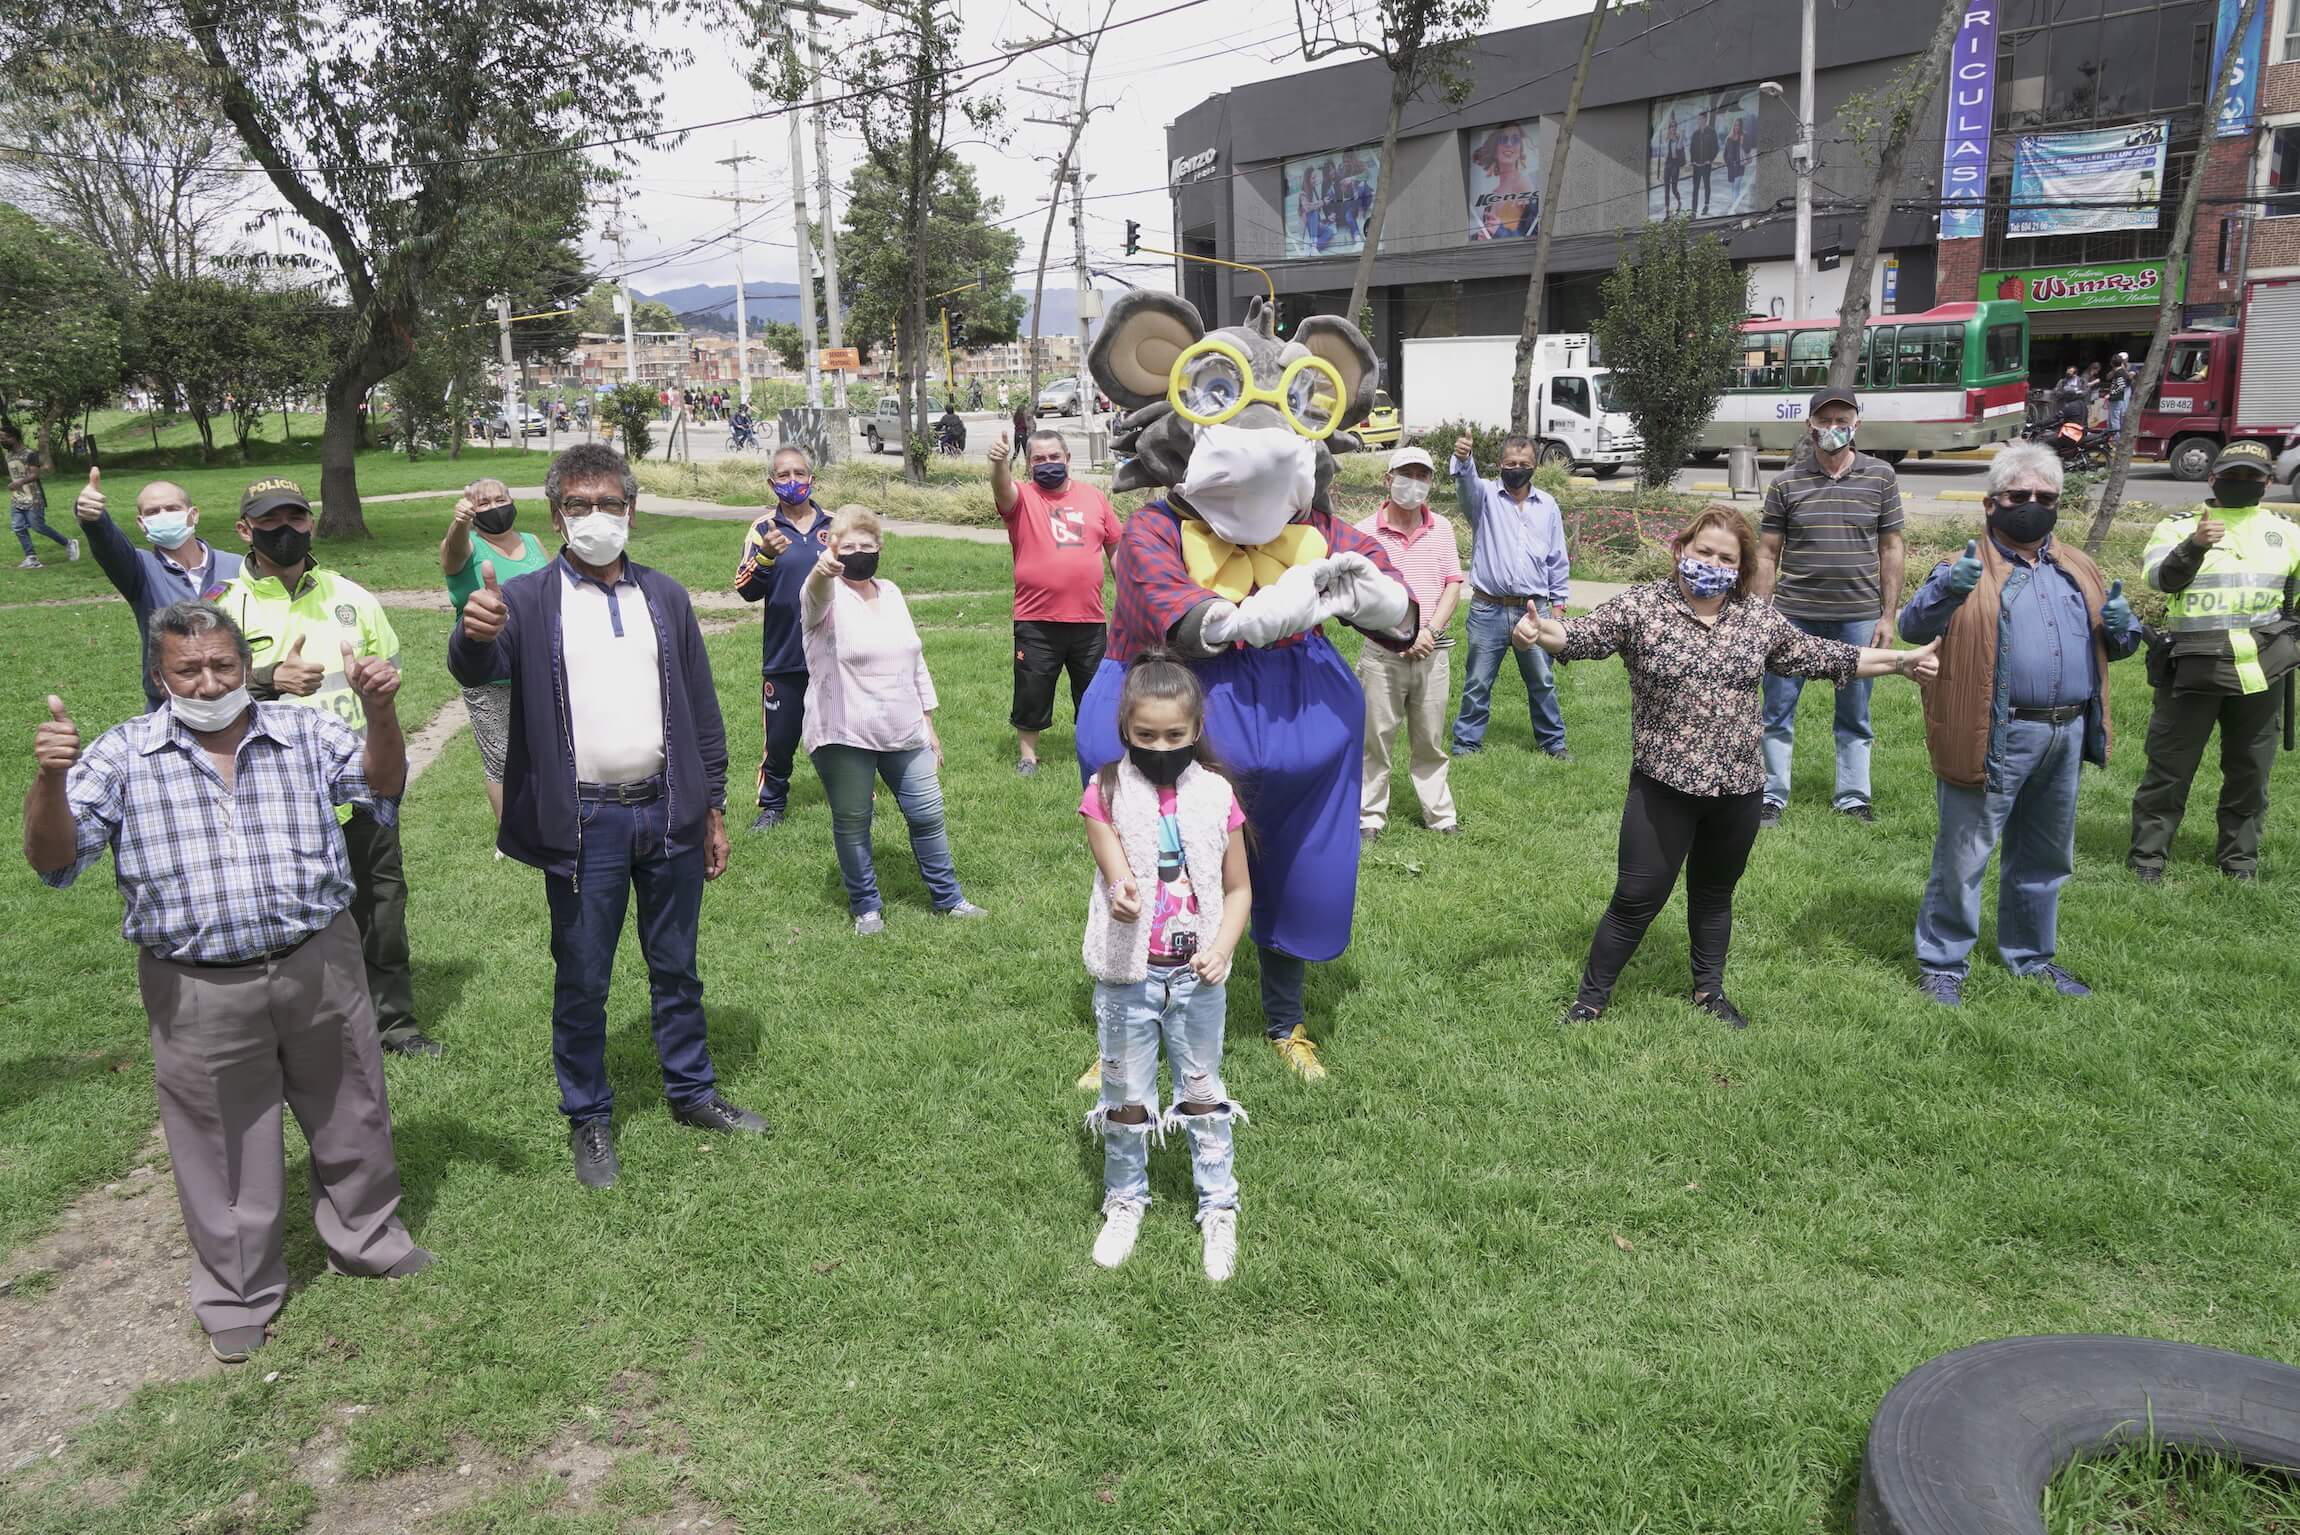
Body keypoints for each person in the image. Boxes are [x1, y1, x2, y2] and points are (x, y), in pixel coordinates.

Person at [24, 601, 431, 1363]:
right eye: (189, 669)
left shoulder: (302, 731)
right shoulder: (123, 755)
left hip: (319, 958)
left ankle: (369, 1236)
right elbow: (55, 860)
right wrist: (50, 780)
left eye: (224, 665)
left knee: (352, 1104)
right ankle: (239, 1290)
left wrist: (382, 714)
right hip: (198, 986)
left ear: (247, 665)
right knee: (219, 1138)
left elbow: (382, 785)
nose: (210, 682)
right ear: (159, 675)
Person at [450, 443, 763, 1189]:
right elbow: (476, 671)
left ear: (632, 509)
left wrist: (712, 804)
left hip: (668, 810)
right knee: (583, 975)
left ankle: (692, 1092)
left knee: (676, 966)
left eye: (610, 503)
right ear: (556, 515)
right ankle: (589, 1115)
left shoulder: (665, 596)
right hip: (584, 821)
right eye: (580, 505)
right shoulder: (526, 600)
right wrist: (473, 632)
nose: (597, 518)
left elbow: (702, 710)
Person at [1515, 507, 1936, 1026]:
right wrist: (1538, 632)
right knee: (1635, 897)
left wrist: (1900, 661)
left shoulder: (1755, 619)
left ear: (1740, 569)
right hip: (1663, 785)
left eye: (1726, 558)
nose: (1712, 563)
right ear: (1680, 550)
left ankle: (1708, 992)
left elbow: (1826, 656)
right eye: (1703, 551)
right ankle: (1591, 998)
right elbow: (1578, 637)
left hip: (1738, 787)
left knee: (1714, 894)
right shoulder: (1642, 608)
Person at [1900, 442, 2140, 1003]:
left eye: (2045, 497)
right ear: (1991, 503)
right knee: (1965, 854)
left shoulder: (2078, 567)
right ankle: (1943, 962)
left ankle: (2030, 956)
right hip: (1995, 731)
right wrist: (1946, 589)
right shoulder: (1964, 568)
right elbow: (1914, 628)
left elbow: (2116, 647)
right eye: (2018, 495)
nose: (2031, 504)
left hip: (2066, 730)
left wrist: (2126, 630)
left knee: (2045, 854)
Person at [220, 480, 435, 1058]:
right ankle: (302, 1023)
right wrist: (267, 681)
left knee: (381, 909)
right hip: (275, 795)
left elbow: (386, 670)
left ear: (312, 524)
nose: (285, 530)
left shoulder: (352, 596)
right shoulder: (221, 610)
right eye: (269, 522)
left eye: (296, 518)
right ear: (245, 530)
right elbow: (201, 693)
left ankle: (395, 1026)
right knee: (290, 913)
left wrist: (382, 685)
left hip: (358, 785)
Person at [1080, 652, 1252, 1281]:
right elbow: (1114, 865)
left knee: (1202, 1090)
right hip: (1129, 976)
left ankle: (1218, 1204)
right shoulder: (1105, 790)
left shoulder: (1217, 796)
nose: (1160, 746)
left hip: (1197, 977)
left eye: (1175, 736)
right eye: (1145, 735)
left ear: (1196, 730)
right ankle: (1125, 1200)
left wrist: (1223, 947)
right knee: (1125, 1095)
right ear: (1126, 730)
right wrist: (1124, 890)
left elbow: (1238, 891)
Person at [803, 505, 988, 933]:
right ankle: (867, 907)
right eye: (847, 546)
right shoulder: (824, 594)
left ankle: (949, 899)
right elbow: (815, 594)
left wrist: (929, 723)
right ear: (831, 549)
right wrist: (823, 570)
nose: (858, 552)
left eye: (866, 545)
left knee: (928, 814)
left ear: (880, 548)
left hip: (904, 728)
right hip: (845, 731)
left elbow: (914, 658)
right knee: (852, 822)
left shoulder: (891, 591)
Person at [2128, 440, 2300, 884]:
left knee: (2250, 772)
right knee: (2169, 767)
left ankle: (2239, 861)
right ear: (2212, 478)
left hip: (2262, 670)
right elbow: (2160, 580)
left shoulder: (2286, 530)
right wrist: (2194, 545)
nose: (2241, 482)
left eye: (2251, 476)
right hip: (2191, 665)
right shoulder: (2178, 524)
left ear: (2267, 481)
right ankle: (2148, 856)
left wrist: (2290, 640)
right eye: (2232, 474)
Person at [1753, 386, 1906, 827]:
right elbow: (1767, 553)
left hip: (1858, 616)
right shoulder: (1786, 483)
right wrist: (1763, 617)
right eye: (1824, 421)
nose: (1833, 429)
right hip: (1792, 615)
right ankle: (1770, 795)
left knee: (1855, 713)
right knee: (1776, 710)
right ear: (1810, 427)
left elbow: (1891, 547)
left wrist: (1887, 614)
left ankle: (1853, 796)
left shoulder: (1881, 477)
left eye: (1842, 421)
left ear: (1856, 423)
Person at [990, 428, 1123, 777]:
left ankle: (1098, 752)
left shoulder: (1094, 498)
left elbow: (1115, 549)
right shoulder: (1021, 497)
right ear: (1028, 464)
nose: (1047, 463)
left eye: (1053, 457)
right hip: (1036, 618)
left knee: (1095, 692)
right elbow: (1001, 490)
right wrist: (999, 463)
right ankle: (1028, 757)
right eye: (1038, 459)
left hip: (1089, 619)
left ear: (1067, 459)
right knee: (1032, 688)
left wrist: (1129, 593)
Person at [1356, 446, 1464, 840]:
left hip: (1432, 654)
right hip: (1383, 654)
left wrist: (1429, 632)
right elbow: (1359, 598)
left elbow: (1453, 583)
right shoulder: (1365, 531)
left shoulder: (1443, 529)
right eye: (1406, 473)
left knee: (1430, 740)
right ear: (1388, 478)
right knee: (1375, 739)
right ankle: (1369, 817)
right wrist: (1398, 636)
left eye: (1422, 475)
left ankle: (1439, 815)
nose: (1414, 483)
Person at [72, 469, 243, 709]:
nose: (163, 515)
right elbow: (108, 545)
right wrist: (93, 520)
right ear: (141, 523)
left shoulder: (238, 565)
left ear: (193, 515)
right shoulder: (138, 569)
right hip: (168, 704)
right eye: (153, 512)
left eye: (172, 508)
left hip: (235, 698)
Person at [1448, 433, 1572, 760]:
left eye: (1524, 464)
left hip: (1534, 610)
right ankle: (1466, 744)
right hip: (1488, 608)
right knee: (1477, 683)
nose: (1517, 469)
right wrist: (1463, 459)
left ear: (1534, 467)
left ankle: (1554, 744)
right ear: (1500, 464)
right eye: (1510, 463)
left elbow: (1557, 559)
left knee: (1542, 681)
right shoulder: (1484, 497)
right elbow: (1465, 484)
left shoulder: (1547, 506)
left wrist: (1558, 610)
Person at [439, 478, 549, 825]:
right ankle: (510, 834)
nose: (494, 508)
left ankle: (548, 816)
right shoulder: (467, 546)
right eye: (482, 504)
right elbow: (451, 552)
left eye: (500, 499)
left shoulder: (532, 541)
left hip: (537, 662)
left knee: (546, 746)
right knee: (500, 754)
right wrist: (460, 523)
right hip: (488, 667)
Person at [734, 446, 831, 830]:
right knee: (781, 739)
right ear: (771, 483)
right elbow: (745, 588)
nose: (793, 482)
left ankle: (855, 794)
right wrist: (766, 558)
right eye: (784, 475)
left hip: (833, 652)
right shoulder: (763, 529)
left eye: (800, 473)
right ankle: (772, 805)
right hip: (785, 653)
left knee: (843, 729)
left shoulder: (833, 525)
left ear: (812, 479)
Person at [3, 424, 77, 569]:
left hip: (34, 497)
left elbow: (35, 475)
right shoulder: (9, 455)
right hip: (17, 497)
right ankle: (31, 558)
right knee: (18, 527)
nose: (2, 441)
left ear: (14, 438)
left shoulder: (30, 454)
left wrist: (19, 482)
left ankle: (69, 543)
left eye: (3, 438)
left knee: (38, 526)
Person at [1688, 110, 1719, 217]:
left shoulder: (1711, 132)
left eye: (1701, 118)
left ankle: (1706, 205)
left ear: (1705, 119)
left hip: (1706, 165)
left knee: (1706, 185)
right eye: (1698, 119)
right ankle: (1693, 211)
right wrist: (1693, 161)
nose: (1699, 120)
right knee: (1695, 188)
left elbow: (1715, 148)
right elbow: (1692, 149)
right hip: (1697, 166)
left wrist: (1710, 159)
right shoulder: (1695, 134)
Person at [2105, 352, 2134, 435]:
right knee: (2111, 421)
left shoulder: (2120, 373)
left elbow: (2120, 386)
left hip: (2116, 399)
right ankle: (2111, 440)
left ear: (2111, 363)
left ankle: (2116, 441)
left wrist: (2110, 394)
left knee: (2114, 421)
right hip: (2117, 399)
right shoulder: (2119, 372)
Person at [1661, 123, 1686, 217]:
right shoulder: (1666, 139)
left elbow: (1679, 148)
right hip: (1667, 165)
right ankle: (1667, 211)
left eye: (1674, 127)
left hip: (1675, 164)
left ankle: (1679, 201)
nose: (1673, 129)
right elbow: (1664, 151)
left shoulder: (1678, 138)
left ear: (1676, 129)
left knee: (1674, 189)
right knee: (1666, 188)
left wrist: (1682, 136)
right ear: (1669, 129)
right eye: (1671, 127)